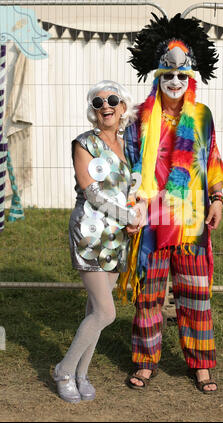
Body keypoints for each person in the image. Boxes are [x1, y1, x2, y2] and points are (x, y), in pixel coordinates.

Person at [118, 14, 223, 394]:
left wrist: (217, 196)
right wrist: (132, 206)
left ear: (191, 78)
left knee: (196, 293)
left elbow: (211, 157)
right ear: (158, 78)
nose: (176, 82)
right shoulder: (139, 119)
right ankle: (146, 362)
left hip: (192, 215)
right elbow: (131, 164)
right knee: (149, 294)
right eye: (168, 75)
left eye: (182, 76)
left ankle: (200, 364)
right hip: (151, 216)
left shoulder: (202, 116)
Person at [53, 80, 142, 403]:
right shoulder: (83, 143)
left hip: (117, 236)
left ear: (123, 108)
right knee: (106, 312)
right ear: (93, 111)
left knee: (94, 308)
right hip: (90, 234)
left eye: (112, 100)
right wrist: (126, 216)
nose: (106, 106)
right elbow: (90, 189)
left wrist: (137, 215)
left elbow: (135, 188)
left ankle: (81, 373)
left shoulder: (129, 146)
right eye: (98, 102)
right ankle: (63, 370)